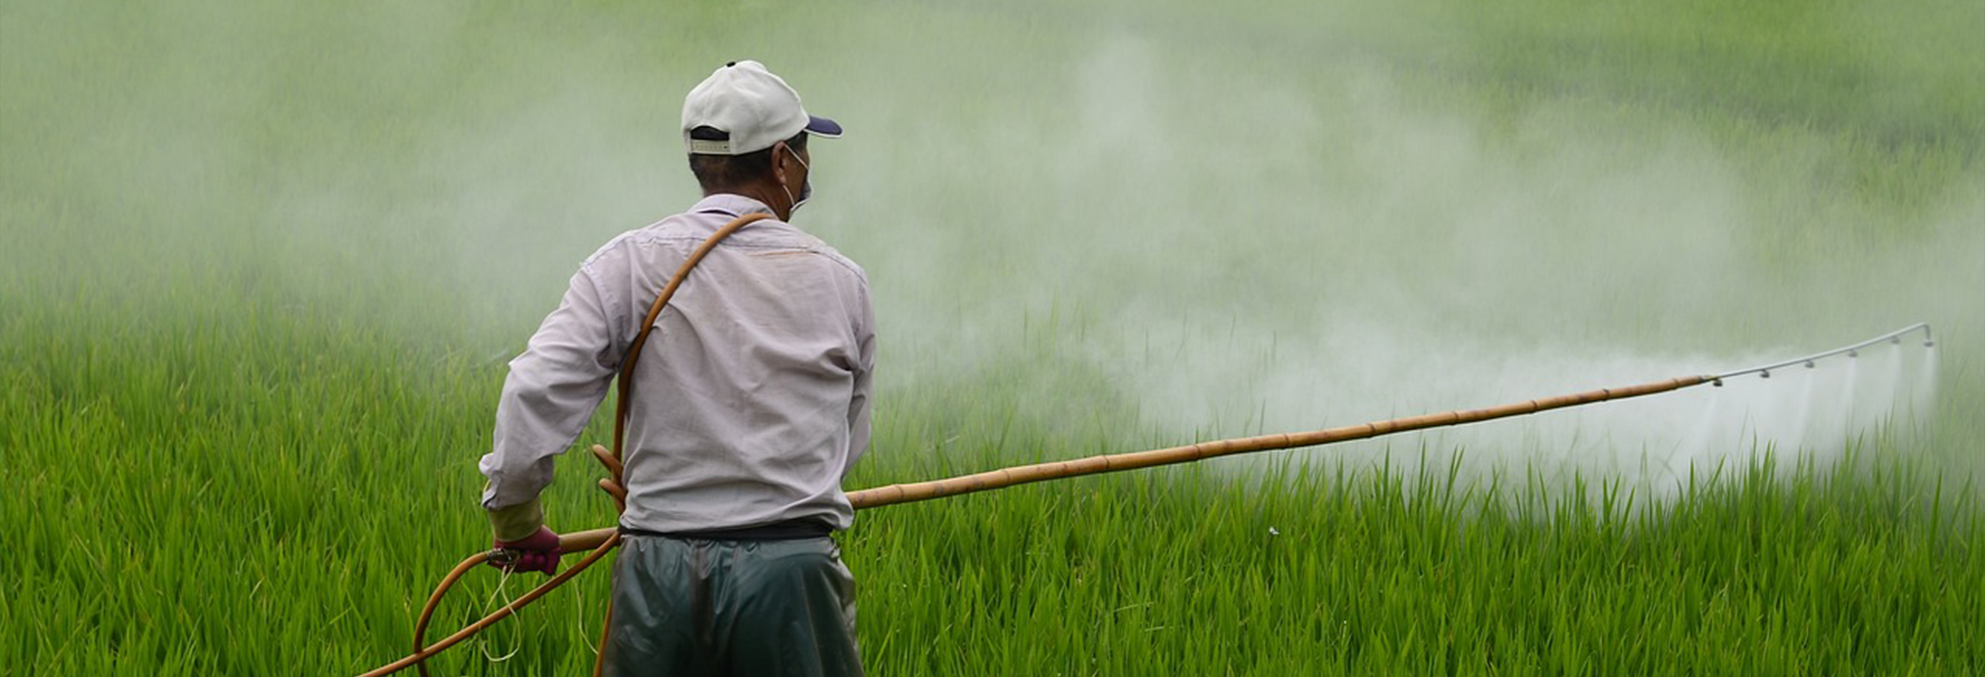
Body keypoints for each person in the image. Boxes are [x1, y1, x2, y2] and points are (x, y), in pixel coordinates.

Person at [475, 60, 873, 677]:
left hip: (658, 575)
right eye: (803, 150)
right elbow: (844, 443)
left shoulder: (627, 263)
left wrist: (518, 521)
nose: (805, 166)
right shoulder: (839, 281)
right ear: (780, 163)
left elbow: (534, 389)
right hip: (790, 576)